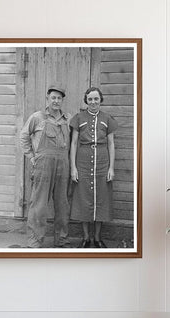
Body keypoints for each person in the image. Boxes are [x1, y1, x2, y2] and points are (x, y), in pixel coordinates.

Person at [19, 85, 71, 248]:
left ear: (62, 100)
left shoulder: (67, 119)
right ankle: (35, 241)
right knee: (39, 205)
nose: (56, 101)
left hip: (63, 165)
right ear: (47, 99)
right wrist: (32, 157)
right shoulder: (37, 117)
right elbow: (24, 136)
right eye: (53, 98)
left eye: (59, 98)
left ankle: (61, 240)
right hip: (42, 166)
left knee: (62, 205)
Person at [69, 87, 118, 248]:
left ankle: (97, 238)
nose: (93, 102)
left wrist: (111, 168)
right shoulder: (78, 118)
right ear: (86, 100)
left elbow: (111, 144)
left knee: (101, 200)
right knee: (83, 199)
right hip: (82, 162)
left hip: (102, 162)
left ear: (100, 100)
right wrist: (73, 168)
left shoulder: (107, 119)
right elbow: (74, 143)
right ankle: (85, 238)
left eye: (96, 99)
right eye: (90, 99)